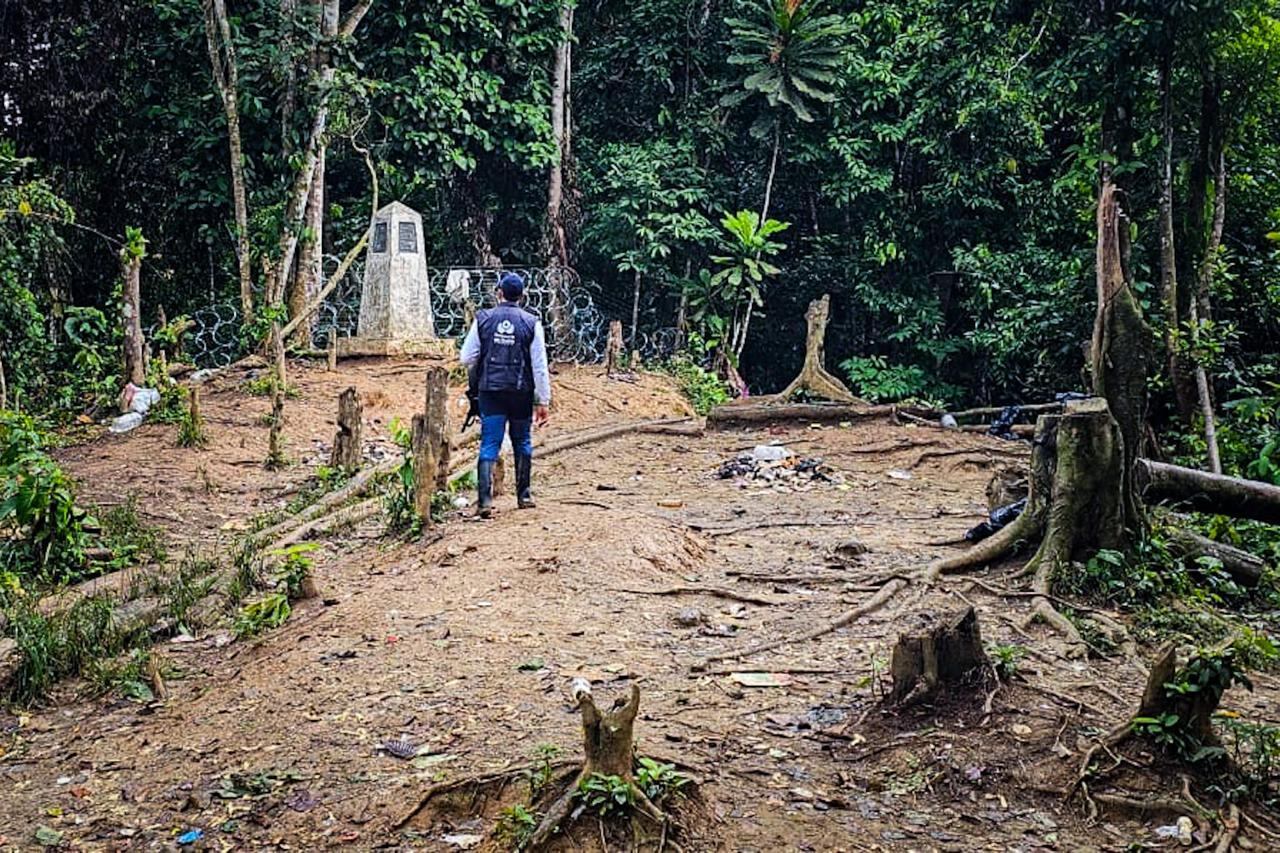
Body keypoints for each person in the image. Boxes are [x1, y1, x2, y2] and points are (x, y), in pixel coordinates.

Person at [459, 272, 551, 517]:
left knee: (490, 442)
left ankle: (485, 501)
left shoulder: (483, 319)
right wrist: (543, 400)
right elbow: (540, 366)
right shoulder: (532, 323)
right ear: (522, 296)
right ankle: (524, 495)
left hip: (491, 391)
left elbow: (466, 357)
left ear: (498, 293)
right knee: (522, 441)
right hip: (521, 392)